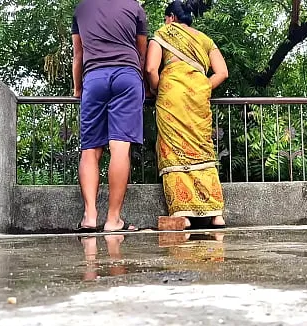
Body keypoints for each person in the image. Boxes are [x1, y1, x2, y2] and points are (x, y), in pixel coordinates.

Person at [145, 0, 229, 229]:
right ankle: (216, 213)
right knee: (202, 148)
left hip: (171, 97)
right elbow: (222, 72)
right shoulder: (204, 39)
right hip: (198, 97)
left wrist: (155, 88)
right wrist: (202, 87)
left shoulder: (162, 34)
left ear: (171, 17)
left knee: (173, 149)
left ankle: (183, 212)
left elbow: (151, 69)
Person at [71, 0, 149, 232]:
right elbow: (141, 52)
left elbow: (78, 54)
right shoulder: (134, 7)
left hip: (93, 78)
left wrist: (78, 89)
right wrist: (142, 83)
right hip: (127, 75)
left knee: (90, 149)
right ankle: (113, 220)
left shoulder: (82, 8)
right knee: (120, 147)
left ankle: (90, 216)